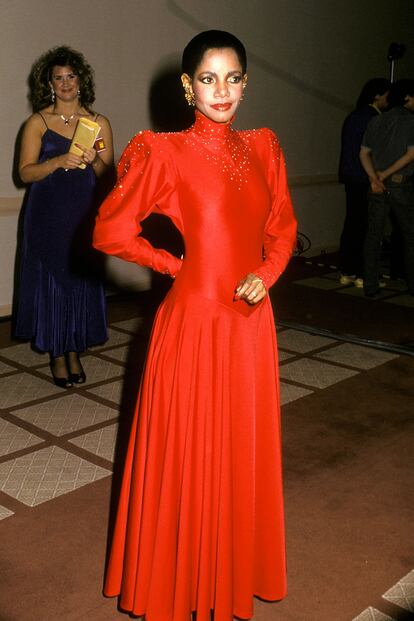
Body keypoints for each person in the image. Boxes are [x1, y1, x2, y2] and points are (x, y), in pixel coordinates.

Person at [93, 30, 297, 620]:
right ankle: (180, 582)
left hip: (249, 322)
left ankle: (232, 570)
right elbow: (109, 231)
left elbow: (282, 227)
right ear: (187, 86)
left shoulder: (263, 146)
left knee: (239, 450)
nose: (222, 91)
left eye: (233, 78)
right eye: (208, 79)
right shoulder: (164, 151)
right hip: (195, 321)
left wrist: (269, 272)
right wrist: (173, 264)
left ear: (246, 82)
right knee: (191, 454)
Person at [15, 46, 114, 387]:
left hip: (84, 214)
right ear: (50, 83)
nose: (66, 83)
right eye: (59, 77)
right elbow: (25, 173)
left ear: (81, 80)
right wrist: (56, 162)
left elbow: (108, 175)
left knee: (79, 282)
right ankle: (58, 354)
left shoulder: (98, 123)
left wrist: (94, 158)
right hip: (46, 215)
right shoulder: (38, 123)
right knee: (53, 284)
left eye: (71, 76)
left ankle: (74, 350)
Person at [360, 79, 414, 297]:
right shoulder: (410, 121)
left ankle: (370, 285)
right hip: (400, 184)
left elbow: (363, 154)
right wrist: (386, 173)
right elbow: (411, 154)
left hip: (377, 187)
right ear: (408, 98)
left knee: (373, 236)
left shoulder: (377, 121)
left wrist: (375, 178)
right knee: (410, 235)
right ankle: (412, 285)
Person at [338, 78, 390, 287]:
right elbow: (371, 152)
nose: (388, 100)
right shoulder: (373, 118)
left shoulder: (354, 116)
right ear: (377, 95)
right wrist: (376, 177)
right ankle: (363, 274)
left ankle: (347, 271)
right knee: (368, 227)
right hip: (365, 176)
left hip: (350, 176)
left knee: (352, 223)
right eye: (387, 95)